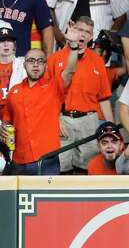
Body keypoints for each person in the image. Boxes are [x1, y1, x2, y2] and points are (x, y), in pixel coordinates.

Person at [3, 28, 80, 175]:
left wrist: (74, 45)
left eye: (40, 61)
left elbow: (70, 71)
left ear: (45, 66)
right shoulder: (14, 91)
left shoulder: (54, 87)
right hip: (19, 159)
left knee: (47, 199)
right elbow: (7, 123)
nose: (36, 64)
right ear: (24, 65)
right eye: (31, 61)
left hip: (46, 159)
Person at [48, 17, 113, 173]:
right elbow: (47, 97)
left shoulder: (98, 61)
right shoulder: (54, 59)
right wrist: (53, 121)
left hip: (89, 122)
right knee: (61, 170)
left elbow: (104, 99)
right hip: (62, 120)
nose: (82, 35)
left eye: (87, 32)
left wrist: (111, 127)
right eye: (79, 30)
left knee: (88, 169)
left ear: (91, 37)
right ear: (71, 31)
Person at [0, 27, 25, 139]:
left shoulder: (24, 66)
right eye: (1, 41)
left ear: (15, 45)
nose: (6, 44)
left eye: (10, 40)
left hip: (20, 124)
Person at [44, 0, 129, 42]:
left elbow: (121, 15)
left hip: (97, 47)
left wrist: (106, 40)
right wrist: (58, 34)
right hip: (65, 42)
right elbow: (46, 6)